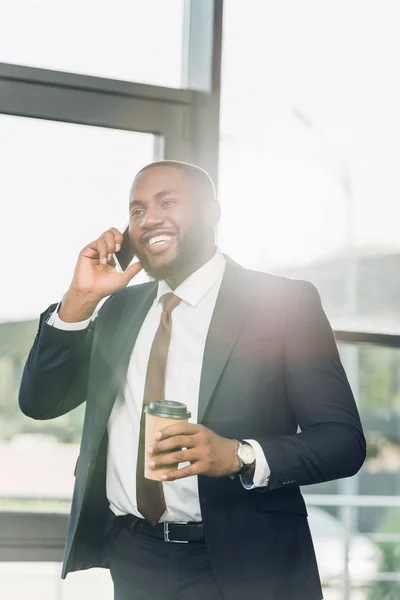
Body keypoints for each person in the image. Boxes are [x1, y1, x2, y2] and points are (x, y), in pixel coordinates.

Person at [19, 160, 366, 600]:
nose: (150, 219)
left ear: (212, 211)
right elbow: (39, 401)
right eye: (138, 211)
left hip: (249, 567)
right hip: (135, 559)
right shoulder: (118, 309)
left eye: (169, 202)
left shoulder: (283, 304)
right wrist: (78, 301)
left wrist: (239, 455)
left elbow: (343, 442)